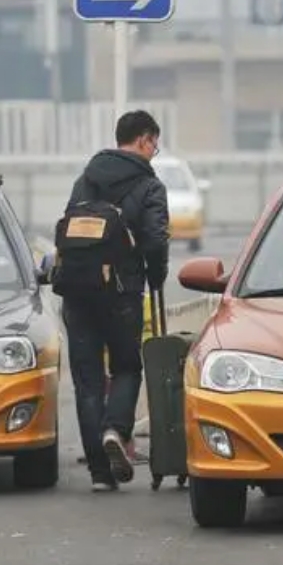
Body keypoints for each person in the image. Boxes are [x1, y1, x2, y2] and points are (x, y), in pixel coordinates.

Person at [56, 110, 169, 491]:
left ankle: (100, 475)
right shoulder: (150, 186)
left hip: (76, 290)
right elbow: (155, 240)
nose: (155, 152)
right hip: (121, 291)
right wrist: (156, 276)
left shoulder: (84, 180)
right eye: (154, 143)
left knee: (87, 380)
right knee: (126, 366)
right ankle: (115, 430)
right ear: (143, 140)